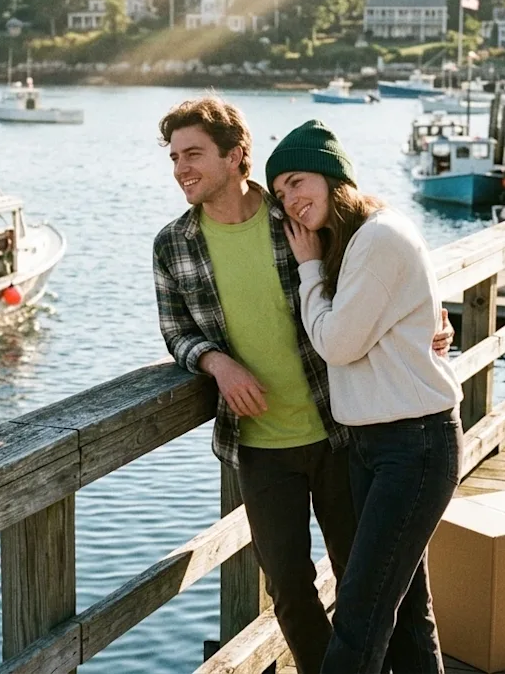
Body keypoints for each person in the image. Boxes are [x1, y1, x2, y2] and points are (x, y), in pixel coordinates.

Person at [151, 98, 454, 674]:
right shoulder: (173, 245)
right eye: (174, 157)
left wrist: (433, 319)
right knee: (289, 590)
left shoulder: (297, 221)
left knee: (365, 586)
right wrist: (216, 363)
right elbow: (177, 333)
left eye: (193, 153)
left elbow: (383, 268)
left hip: (343, 434)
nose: (180, 168)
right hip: (260, 446)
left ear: (236, 154)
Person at [267, 120, 464, 674]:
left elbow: (336, 342)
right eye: (280, 193)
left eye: (298, 182)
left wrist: (308, 271)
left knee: (360, 617)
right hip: (376, 442)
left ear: (334, 178)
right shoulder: (355, 242)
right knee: (402, 613)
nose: (291, 201)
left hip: (413, 444)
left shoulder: (376, 238)